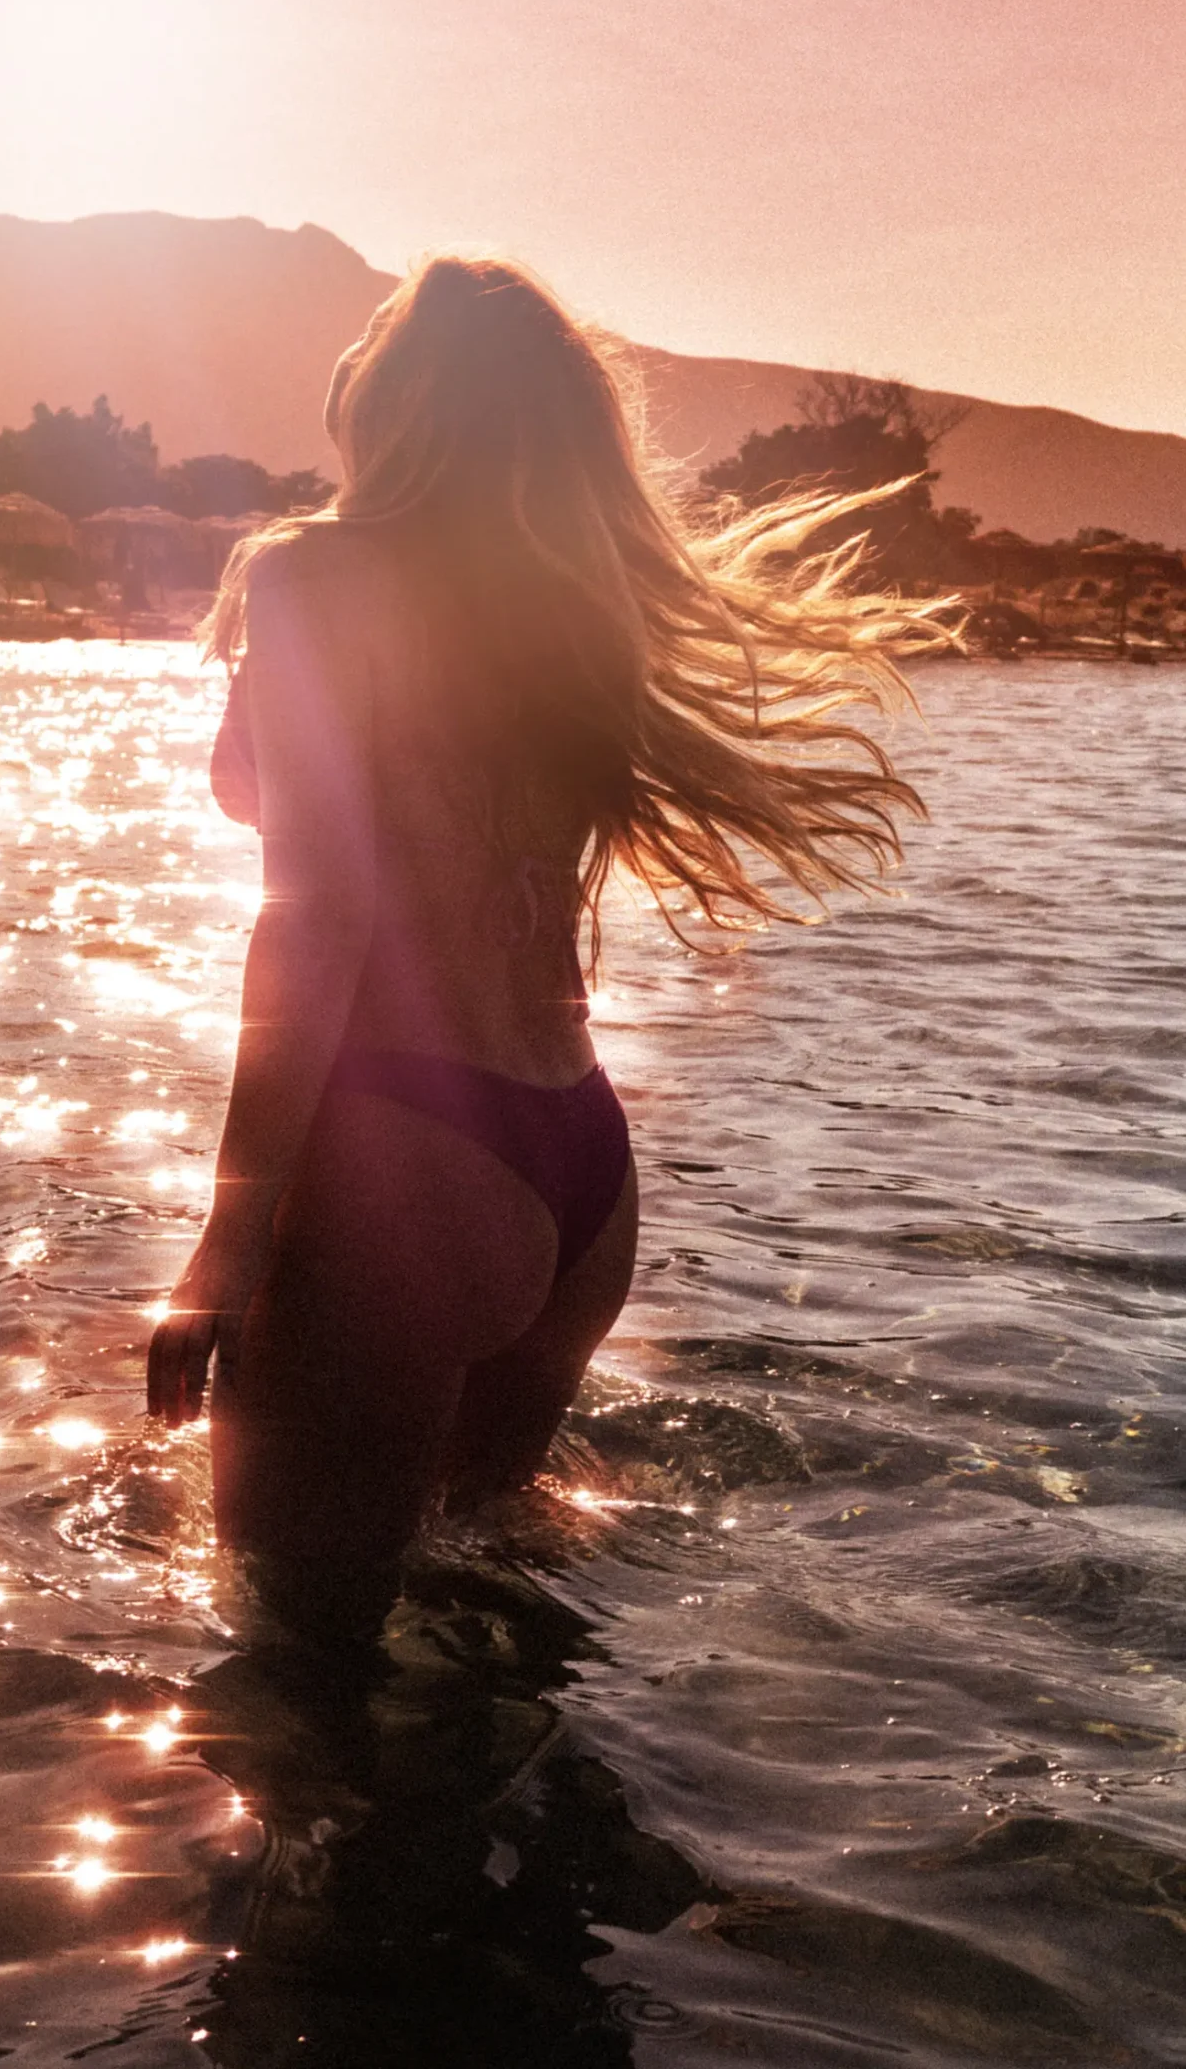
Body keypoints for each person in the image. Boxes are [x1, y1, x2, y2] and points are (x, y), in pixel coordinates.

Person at [146, 255, 947, 1640]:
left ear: (394, 397)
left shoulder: (315, 576)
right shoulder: (564, 610)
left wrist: (227, 1237)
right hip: (575, 1164)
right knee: (486, 1626)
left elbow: (318, 909)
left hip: (407, 1155)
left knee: (303, 1671)